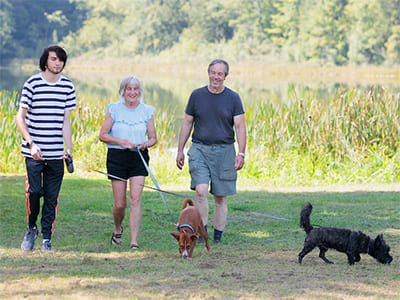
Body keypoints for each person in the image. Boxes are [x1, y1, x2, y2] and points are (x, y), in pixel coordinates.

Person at [176, 59, 246, 243]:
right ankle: (201, 232)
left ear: (225, 76)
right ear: (208, 73)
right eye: (213, 72)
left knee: (220, 197)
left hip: (225, 151)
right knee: (200, 190)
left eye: (220, 74)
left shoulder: (233, 98)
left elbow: (240, 127)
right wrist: (180, 150)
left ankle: (217, 237)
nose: (216, 77)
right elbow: (187, 123)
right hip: (200, 148)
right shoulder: (197, 95)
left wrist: (241, 153)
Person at [16, 45, 77, 251]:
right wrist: (31, 143)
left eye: (60, 60)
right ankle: (31, 228)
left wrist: (68, 149)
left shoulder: (67, 86)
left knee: (51, 197)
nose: (57, 63)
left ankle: (46, 238)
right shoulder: (32, 83)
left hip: (55, 154)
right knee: (34, 192)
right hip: (34, 153)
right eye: (53, 59)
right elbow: (20, 117)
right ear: (45, 61)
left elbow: (66, 121)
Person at [99, 75, 157, 250]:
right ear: (123, 91)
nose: (132, 92)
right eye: (129, 89)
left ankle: (134, 242)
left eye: (135, 89)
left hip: (138, 157)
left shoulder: (147, 111)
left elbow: (153, 138)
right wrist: (121, 142)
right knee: (120, 204)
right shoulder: (114, 109)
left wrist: (145, 144)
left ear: (139, 91)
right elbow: (103, 135)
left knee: (135, 199)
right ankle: (118, 228)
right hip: (117, 157)